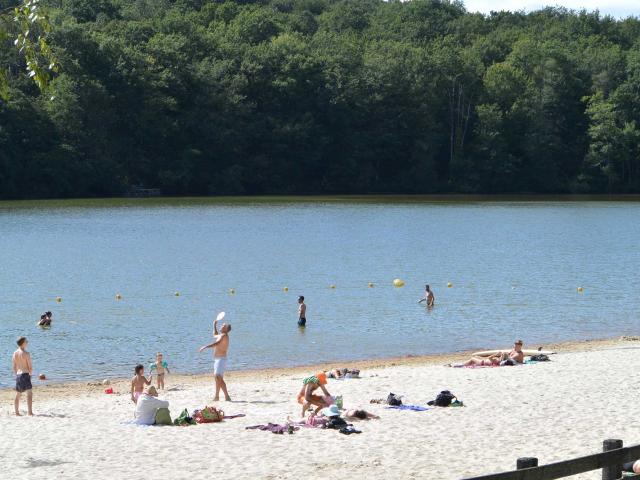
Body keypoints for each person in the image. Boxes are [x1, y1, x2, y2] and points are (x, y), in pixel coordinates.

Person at [198, 316, 232, 401]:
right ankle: (219, 396)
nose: (221, 326)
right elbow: (214, 335)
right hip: (218, 360)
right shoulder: (222, 335)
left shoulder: (224, 336)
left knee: (218, 377)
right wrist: (214, 325)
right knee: (218, 378)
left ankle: (224, 396)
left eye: (223, 326)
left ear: (226, 329)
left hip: (221, 359)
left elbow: (216, 343)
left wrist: (205, 347)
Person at [12, 337, 33, 416]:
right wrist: (30, 374)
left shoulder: (15, 353)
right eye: (26, 341)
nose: (27, 342)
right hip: (25, 374)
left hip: (18, 375)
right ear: (23, 343)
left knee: (18, 394)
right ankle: (30, 412)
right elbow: (30, 367)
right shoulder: (26, 353)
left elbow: (14, 366)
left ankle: (17, 412)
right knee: (29, 393)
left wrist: (16, 375)